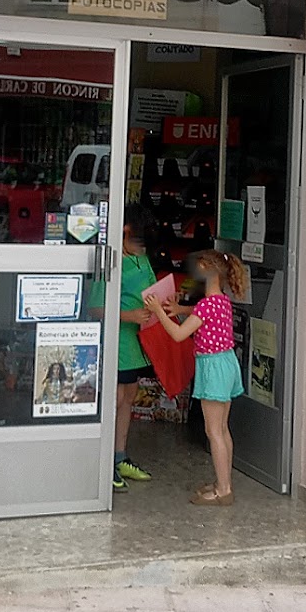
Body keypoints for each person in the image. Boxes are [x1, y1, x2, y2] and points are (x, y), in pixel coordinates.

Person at [144, 248, 248, 506]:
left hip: (212, 368)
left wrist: (158, 310)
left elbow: (179, 334)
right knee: (223, 429)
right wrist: (179, 307)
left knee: (213, 431)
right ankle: (224, 482)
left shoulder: (205, 305)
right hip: (226, 363)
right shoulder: (220, 300)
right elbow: (200, 314)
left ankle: (223, 490)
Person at [87, 203, 157, 491]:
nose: (141, 246)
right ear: (125, 232)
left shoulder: (142, 259)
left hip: (137, 344)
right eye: (137, 240)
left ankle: (120, 457)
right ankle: (103, 461)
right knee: (114, 398)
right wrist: (128, 316)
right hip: (117, 341)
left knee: (129, 396)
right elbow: (95, 308)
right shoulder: (110, 260)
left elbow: (153, 289)